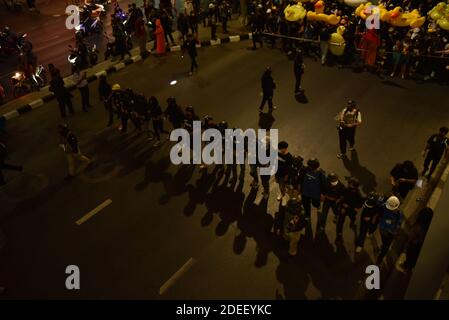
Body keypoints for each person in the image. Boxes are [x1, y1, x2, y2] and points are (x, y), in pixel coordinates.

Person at [400, 207, 433, 271]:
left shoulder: (417, 227)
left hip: (413, 246)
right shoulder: (427, 227)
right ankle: (408, 267)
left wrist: (406, 246)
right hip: (419, 247)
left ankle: (406, 267)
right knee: (413, 259)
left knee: (409, 258)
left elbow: (411, 237)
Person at [377, 195, 404, 264]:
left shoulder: (399, 214)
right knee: (384, 242)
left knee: (385, 248)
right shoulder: (384, 207)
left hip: (390, 233)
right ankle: (383, 247)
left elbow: (398, 224)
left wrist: (395, 231)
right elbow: (379, 202)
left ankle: (379, 260)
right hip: (383, 230)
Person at [335, 178, 363, 242]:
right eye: (349, 183)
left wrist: (356, 208)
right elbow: (342, 197)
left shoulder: (357, 194)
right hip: (344, 208)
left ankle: (352, 222)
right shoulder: (346, 190)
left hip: (352, 210)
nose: (349, 185)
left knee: (352, 217)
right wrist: (341, 205)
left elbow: (360, 203)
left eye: (351, 184)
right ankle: (339, 234)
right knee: (340, 221)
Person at [275, 141, 293, 207]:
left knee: (281, 186)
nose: (280, 150)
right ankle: (282, 192)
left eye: (281, 148)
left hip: (283, 175)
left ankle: (284, 197)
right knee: (280, 185)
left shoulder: (289, 157)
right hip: (277, 173)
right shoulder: (278, 153)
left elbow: (289, 168)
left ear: (285, 148)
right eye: (279, 148)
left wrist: (286, 175)